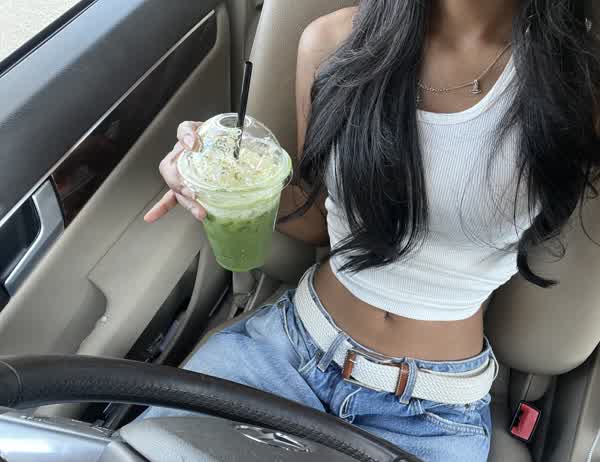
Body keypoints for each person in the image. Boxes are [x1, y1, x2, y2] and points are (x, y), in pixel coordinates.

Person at [142, 1, 600, 460]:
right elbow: (320, 218)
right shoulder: (332, 41)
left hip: (431, 413)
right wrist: (231, 181)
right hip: (284, 352)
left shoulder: (580, 82)